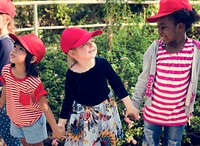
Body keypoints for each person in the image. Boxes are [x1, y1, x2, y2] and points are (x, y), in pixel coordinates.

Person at [130, 0, 200, 145]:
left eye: (163, 27)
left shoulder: (195, 51)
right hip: (152, 115)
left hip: (177, 117)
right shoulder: (155, 49)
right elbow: (143, 79)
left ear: (180, 27)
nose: (159, 31)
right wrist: (134, 105)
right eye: (158, 27)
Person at [57, 27, 140, 146]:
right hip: (84, 115)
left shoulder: (102, 63)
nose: (91, 45)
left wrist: (130, 107)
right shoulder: (72, 74)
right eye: (85, 44)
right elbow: (69, 98)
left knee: (106, 141)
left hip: (105, 110)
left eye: (92, 41)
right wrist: (61, 122)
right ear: (73, 53)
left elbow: (117, 85)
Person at [0, 34, 66, 146]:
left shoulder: (33, 82)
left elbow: (45, 106)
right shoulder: (6, 70)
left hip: (33, 122)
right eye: (15, 46)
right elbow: (7, 87)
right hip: (16, 119)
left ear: (33, 59)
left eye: (20, 49)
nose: (14, 50)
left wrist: (55, 128)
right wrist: (1, 104)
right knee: (24, 143)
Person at [0, 0, 21, 145]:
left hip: (5, 99)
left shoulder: (5, 44)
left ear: (6, 19)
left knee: (11, 137)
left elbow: (5, 79)